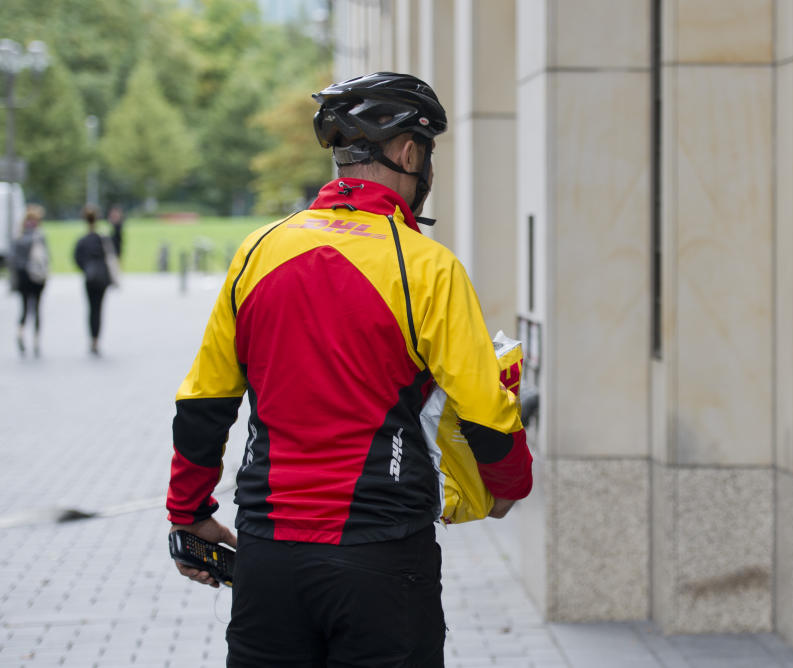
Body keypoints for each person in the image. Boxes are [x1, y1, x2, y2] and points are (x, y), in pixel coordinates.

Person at [166, 72, 533, 667]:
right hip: (382, 559)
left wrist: (188, 515)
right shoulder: (428, 267)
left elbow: (204, 402)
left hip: (268, 557)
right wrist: (511, 487)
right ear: (411, 153)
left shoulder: (258, 250)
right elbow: (488, 412)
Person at [73, 204, 116, 355]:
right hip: (102, 278)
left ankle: (92, 338)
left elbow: (77, 258)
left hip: (90, 278)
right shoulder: (102, 238)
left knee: (91, 308)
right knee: (99, 308)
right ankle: (96, 339)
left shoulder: (83, 240)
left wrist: (86, 269)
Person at [11, 205, 49, 357]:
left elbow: (13, 260)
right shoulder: (39, 236)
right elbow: (45, 258)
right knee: (37, 309)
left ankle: (20, 333)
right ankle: (35, 340)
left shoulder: (19, 237)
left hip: (22, 277)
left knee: (25, 308)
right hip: (37, 277)